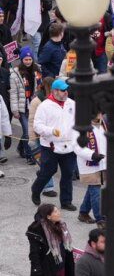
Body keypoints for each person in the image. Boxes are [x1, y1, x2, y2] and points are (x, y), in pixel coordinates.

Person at [30, 78, 77, 209]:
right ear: (55, 91)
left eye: (66, 90)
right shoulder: (44, 106)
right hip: (51, 145)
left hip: (69, 145)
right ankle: (36, 189)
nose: (66, 92)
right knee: (48, 172)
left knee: (68, 174)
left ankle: (66, 201)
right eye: (63, 90)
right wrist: (51, 130)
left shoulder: (72, 104)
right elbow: (37, 126)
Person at [75, 113, 106, 226]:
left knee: (92, 189)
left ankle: (83, 212)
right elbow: (78, 147)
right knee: (95, 190)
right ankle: (100, 219)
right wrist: (92, 155)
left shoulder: (103, 125)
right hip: (89, 164)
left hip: (102, 163)